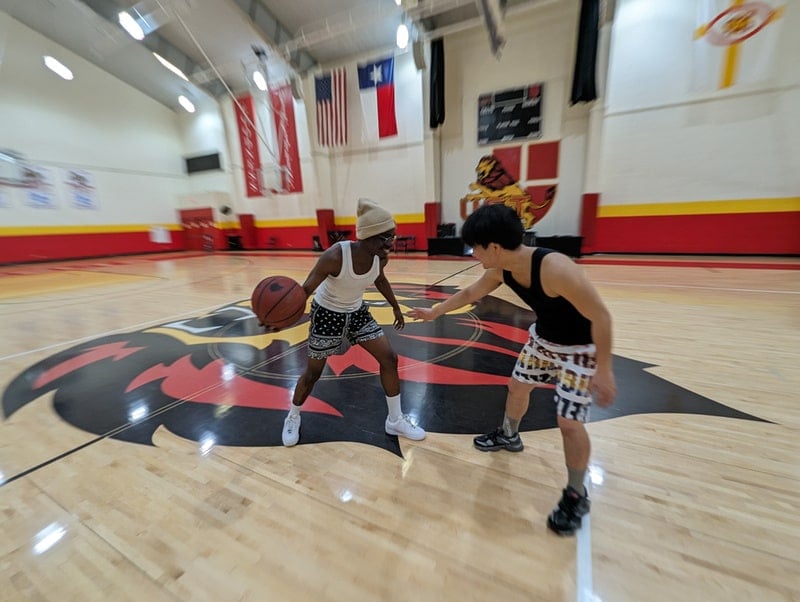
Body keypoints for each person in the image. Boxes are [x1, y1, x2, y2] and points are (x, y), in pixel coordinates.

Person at [408, 203, 616, 535]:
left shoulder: (556, 268)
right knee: (517, 387)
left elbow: (601, 316)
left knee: (569, 424)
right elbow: (471, 292)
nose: (472, 252)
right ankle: (509, 435)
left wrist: (603, 369)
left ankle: (577, 493)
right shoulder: (501, 268)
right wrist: (435, 312)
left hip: (580, 349)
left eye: (475, 246)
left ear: (494, 246)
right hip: (544, 340)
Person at [282, 198, 426, 447]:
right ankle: (292, 416)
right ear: (367, 237)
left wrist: (395, 306)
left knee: (389, 358)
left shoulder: (380, 257)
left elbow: (379, 279)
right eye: (385, 238)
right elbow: (305, 290)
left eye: (392, 236)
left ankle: (395, 419)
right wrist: (282, 317)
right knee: (314, 373)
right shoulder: (335, 256)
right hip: (327, 314)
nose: (390, 243)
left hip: (357, 311)